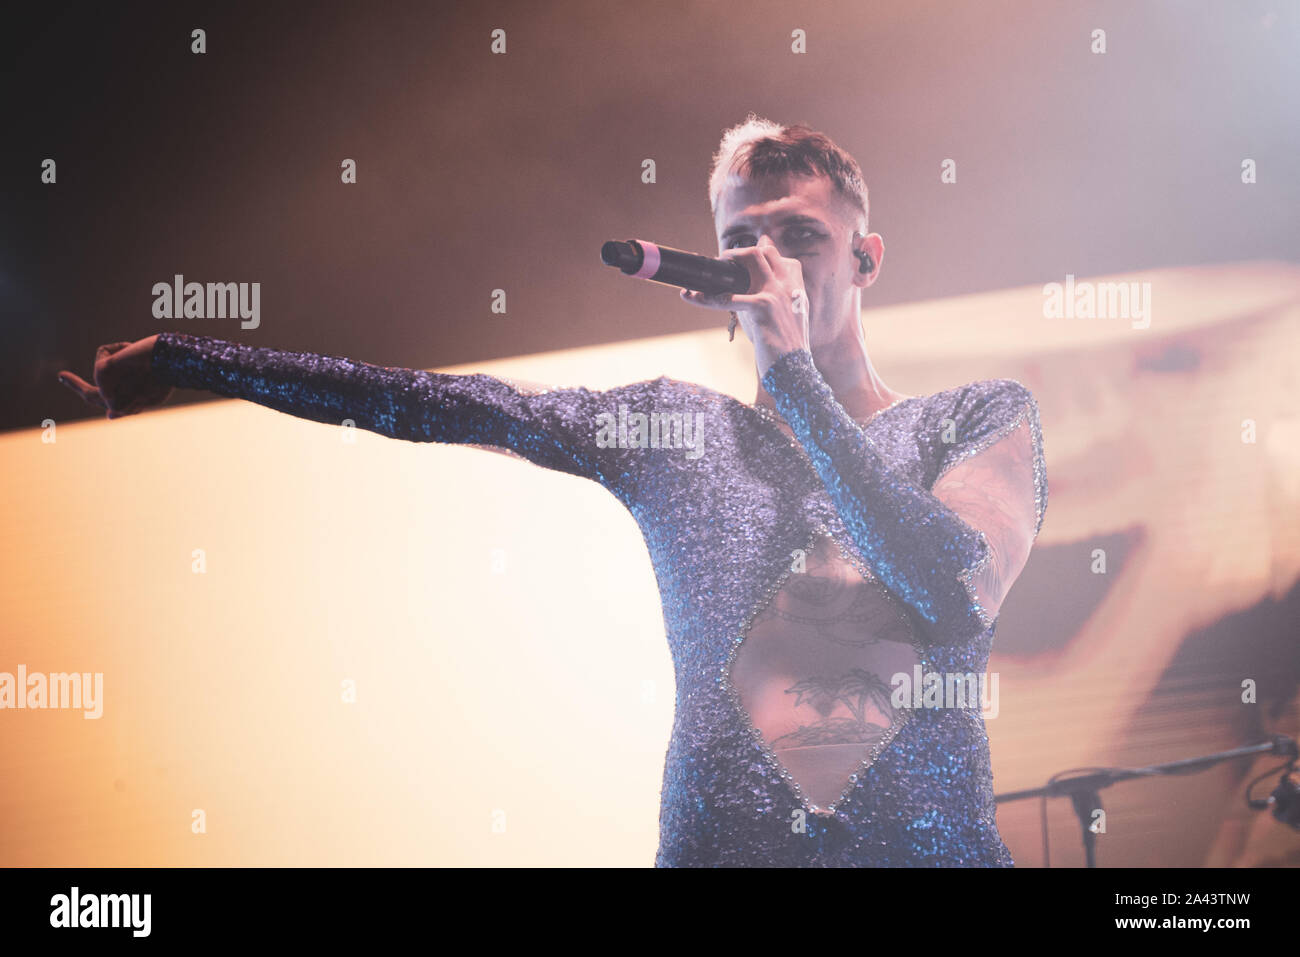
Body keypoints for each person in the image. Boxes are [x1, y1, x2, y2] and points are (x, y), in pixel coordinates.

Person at [57, 114, 1047, 866]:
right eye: (747, 243)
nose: (774, 270)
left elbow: (951, 585)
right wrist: (197, 358)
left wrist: (794, 377)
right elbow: (445, 403)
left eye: (801, 240)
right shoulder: (679, 432)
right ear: (706, 275)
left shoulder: (974, 418)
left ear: (865, 257)